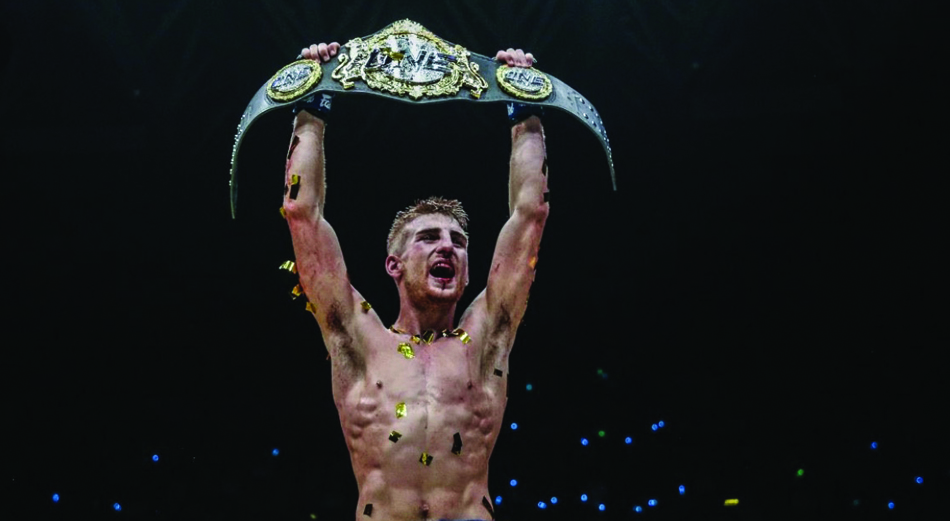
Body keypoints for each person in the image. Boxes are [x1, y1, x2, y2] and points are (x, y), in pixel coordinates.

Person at [283, 41, 548, 521]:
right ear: (394, 265)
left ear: (468, 271)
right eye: (428, 238)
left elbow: (530, 212)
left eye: (458, 242)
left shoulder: (487, 337)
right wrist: (312, 101)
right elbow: (301, 212)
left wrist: (523, 103)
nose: (447, 247)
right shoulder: (358, 340)